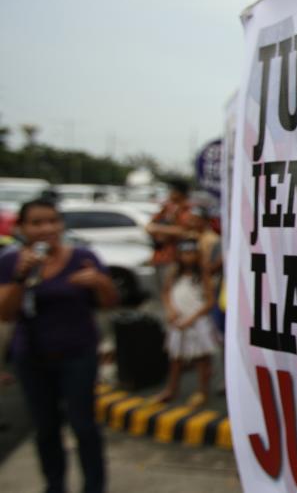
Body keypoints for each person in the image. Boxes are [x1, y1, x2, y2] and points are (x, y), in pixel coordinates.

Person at [0, 199, 117, 493]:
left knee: (83, 426)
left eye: (53, 221)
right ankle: (54, 485)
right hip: (31, 358)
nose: (47, 229)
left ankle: (94, 485)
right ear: (21, 228)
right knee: (45, 428)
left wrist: (99, 282)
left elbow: (110, 302)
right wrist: (20, 277)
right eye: (37, 223)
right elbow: (5, 313)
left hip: (78, 355)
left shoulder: (83, 256)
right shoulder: (11, 262)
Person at [152, 239, 217, 407]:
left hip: (196, 321)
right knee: (175, 358)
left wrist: (192, 318)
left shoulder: (203, 274)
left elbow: (210, 301)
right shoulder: (174, 272)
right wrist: (170, 310)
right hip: (178, 320)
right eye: (184, 253)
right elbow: (166, 293)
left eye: (191, 253)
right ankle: (171, 389)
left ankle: (202, 391)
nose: (188, 257)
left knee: (202, 358)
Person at [146, 179, 193, 283]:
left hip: (175, 257)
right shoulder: (167, 208)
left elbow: (184, 231)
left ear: (179, 193)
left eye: (172, 191)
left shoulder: (187, 209)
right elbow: (150, 225)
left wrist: (159, 229)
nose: (169, 194)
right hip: (160, 255)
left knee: (170, 291)